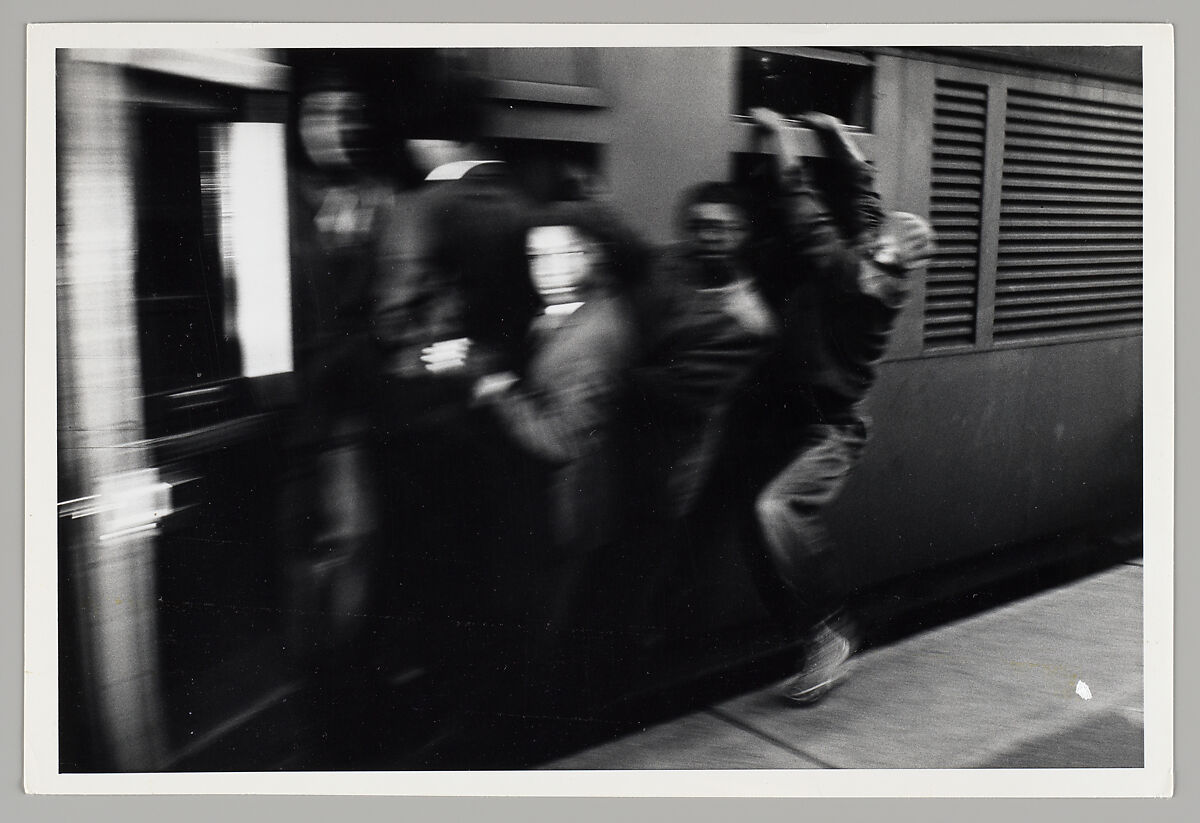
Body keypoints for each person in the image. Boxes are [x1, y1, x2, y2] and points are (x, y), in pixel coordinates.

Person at [729, 108, 936, 704]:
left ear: (889, 260)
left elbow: (805, 210)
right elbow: (864, 197)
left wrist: (778, 133)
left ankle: (831, 633)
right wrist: (835, 132)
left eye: (878, 242)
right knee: (757, 525)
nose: (868, 236)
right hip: (794, 418)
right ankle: (812, 637)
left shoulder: (856, 279)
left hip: (828, 433)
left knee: (776, 509)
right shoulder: (879, 257)